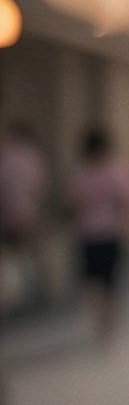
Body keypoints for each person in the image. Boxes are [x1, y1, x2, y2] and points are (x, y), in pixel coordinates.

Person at [65, 126, 129, 342]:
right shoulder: (119, 172)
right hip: (111, 234)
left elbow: (73, 204)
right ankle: (106, 323)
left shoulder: (80, 174)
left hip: (89, 234)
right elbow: (127, 204)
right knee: (109, 282)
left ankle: (101, 320)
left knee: (93, 281)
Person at [0, 119, 50, 310]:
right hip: (28, 211)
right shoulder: (32, 156)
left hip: (5, 212)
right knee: (27, 254)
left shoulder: (4, 154)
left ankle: (12, 295)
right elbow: (39, 186)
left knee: (10, 255)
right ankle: (26, 295)